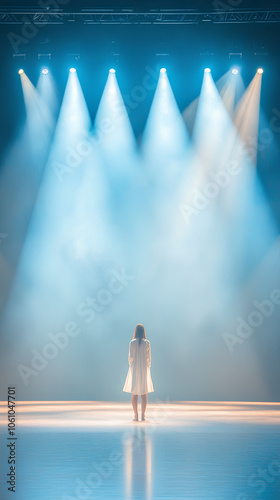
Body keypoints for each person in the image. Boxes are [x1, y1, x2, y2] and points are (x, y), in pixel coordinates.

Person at [123, 324, 154, 421]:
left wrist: (132, 364)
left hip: (135, 367)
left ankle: (136, 415)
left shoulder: (132, 342)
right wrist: (148, 366)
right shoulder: (147, 343)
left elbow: (130, 357)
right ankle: (143, 415)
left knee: (134, 393)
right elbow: (148, 358)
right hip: (144, 368)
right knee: (144, 393)